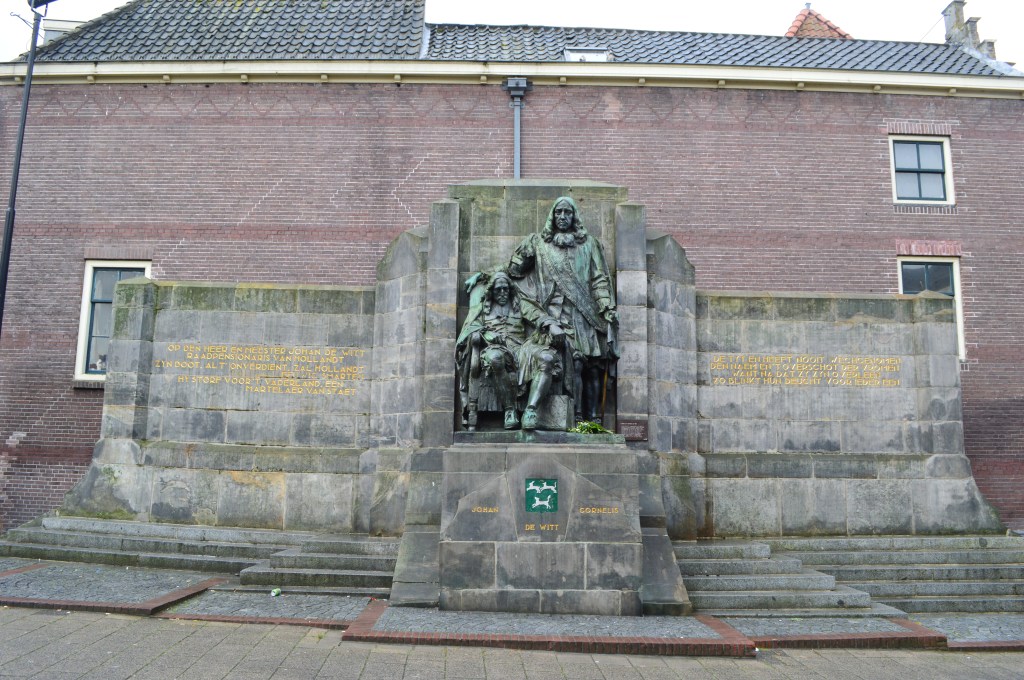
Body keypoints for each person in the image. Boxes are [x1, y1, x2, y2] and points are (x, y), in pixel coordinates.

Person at [507, 196, 618, 430]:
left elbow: (598, 279)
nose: (563, 217)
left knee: (592, 366)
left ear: (574, 216)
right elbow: (513, 271)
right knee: (572, 364)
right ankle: (575, 416)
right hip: (554, 315)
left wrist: (606, 307)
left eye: (568, 213)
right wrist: (489, 275)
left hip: (583, 313)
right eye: (558, 213)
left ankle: (593, 418)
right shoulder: (539, 244)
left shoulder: (590, 245)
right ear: (552, 217)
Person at [455, 270, 525, 431]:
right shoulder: (482, 310)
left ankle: (532, 413)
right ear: (492, 291)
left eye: (505, 289)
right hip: (493, 349)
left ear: (510, 289)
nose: (502, 292)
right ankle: (510, 411)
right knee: (495, 357)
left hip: (520, 350)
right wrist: (487, 334)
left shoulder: (520, 306)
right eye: (498, 289)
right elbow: (470, 329)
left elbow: (539, 317)